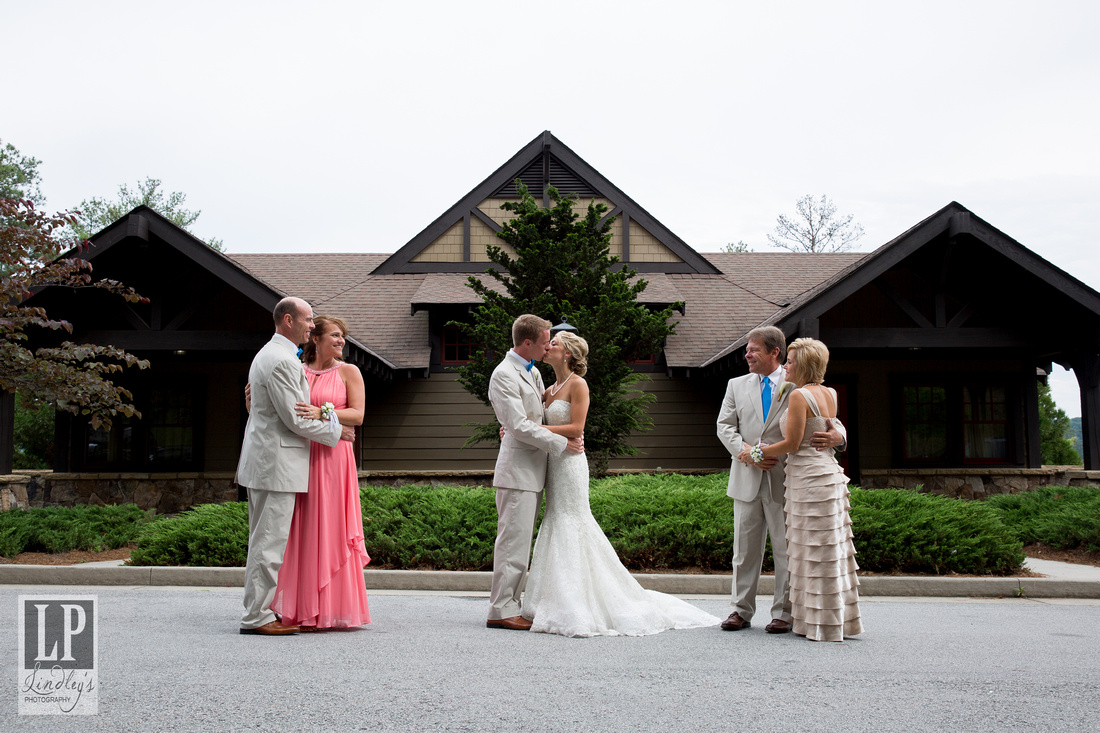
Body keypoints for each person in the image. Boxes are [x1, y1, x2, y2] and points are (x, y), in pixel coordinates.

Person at [520, 332, 719, 637]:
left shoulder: (578, 385)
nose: (548, 347)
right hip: (552, 465)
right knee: (555, 519)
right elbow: (539, 426)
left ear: (569, 354)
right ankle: (552, 597)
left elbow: (576, 427)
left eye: (555, 344)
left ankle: (582, 602)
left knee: (573, 521)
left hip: (571, 465)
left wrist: (535, 427)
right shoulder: (548, 390)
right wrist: (517, 429)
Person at [716, 326, 845, 634]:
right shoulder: (736, 384)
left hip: (788, 478)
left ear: (775, 352)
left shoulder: (796, 386)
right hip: (746, 476)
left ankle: (783, 613)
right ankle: (740, 610)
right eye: (747, 350)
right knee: (744, 550)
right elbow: (724, 426)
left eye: (753, 349)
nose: (747, 354)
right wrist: (747, 453)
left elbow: (831, 420)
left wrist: (839, 437)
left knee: (786, 550)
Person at [237, 297, 341, 636]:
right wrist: (336, 430)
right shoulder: (282, 361)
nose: (312, 326)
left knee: (262, 541)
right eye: (308, 320)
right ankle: (256, 617)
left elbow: (262, 409)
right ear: (288, 320)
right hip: (276, 464)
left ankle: (258, 610)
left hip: (266, 461)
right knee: (268, 542)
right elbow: (295, 419)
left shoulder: (267, 354)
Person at [749, 338, 862, 641]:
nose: (786, 365)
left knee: (812, 550)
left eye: (791, 361)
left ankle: (818, 623)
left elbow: (793, 443)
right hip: (829, 476)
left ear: (805, 365)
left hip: (809, 479)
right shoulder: (831, 393)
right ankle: (833, 621)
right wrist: (838, 435)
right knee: (827, 551)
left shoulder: (799, 396)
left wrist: (759, 452)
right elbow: (832, 424)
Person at [269, 315, 372, 632]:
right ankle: (302, 607)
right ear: (316, 338)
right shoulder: (296, 371)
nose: (342, 341)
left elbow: (358, 415)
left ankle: (330, 606)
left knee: (330, 528)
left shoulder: (348, 372)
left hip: (335, 461)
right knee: (303, 529)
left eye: (344, 337)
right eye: (336, 336)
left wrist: (324, 412)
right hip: (302, 457)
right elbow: (284, 414)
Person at [486, 314, 584, 630]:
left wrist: (519, 429)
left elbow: (531, 419)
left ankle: (512, 604)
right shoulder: (503, 374)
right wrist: (560, 442)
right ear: (528, 342)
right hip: (517, 472)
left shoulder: (535, 373)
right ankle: (501, 610)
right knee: (512, 543)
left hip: (535, 470)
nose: (547, 347)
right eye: (545, 341)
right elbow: (518, 424)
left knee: (520, 541)